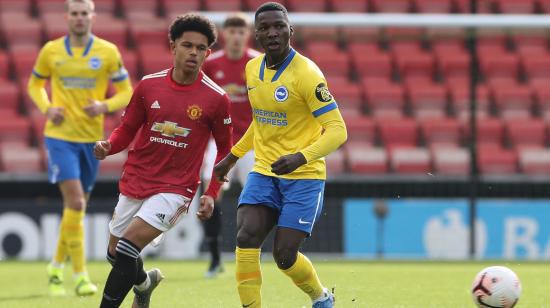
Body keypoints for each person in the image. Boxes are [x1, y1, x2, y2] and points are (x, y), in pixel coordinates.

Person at [214, 2, 348, 308]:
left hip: (303, 177)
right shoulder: (252, 69)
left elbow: (338, 130)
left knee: (284, 257)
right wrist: (232, 157)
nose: (272, 32)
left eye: (278, 26)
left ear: (291, 30)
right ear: (257, 35)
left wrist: (300, 157)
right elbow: (259, 122)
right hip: (264, 171)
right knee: (246, 236)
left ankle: (321, 297)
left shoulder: (308, 74)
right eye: (265, 28)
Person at [94, 13, 232, 308]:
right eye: (187, 45)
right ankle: (144, 284)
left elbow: (224, 151)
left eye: (201, 48)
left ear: (208, 52)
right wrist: (110, 145)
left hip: (176, 187)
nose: (194, 52)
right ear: (173, 47)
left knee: (129, 247)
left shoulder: (216, 98)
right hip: (137, 177)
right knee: (115, 255)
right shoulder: (148, 85)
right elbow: (128, 128)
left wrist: (211, 193)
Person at [27, 0, 132, 297]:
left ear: (92, 17)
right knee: (75, 203)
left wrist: (104, 105)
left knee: (76, 209)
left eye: (84, 13)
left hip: (91, 140)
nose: (79, 18)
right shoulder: (51, 50)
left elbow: (127, 92)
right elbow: (34, 85)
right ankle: (80, 275)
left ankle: (55, 265)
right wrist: (47, 108)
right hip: (59, 137)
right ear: (67, 17)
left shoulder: (108, 52)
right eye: (74, 13)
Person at [200, 12, 260, 279]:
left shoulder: (258, 63)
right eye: (232, 32)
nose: (236, 37)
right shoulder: (211, 64)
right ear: (224, 35)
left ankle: (251, 254)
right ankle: (214, 258)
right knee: (210, 192)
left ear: (248, 35)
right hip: (220, 141)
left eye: (241, 32)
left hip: (252, 143)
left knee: (258, 198)